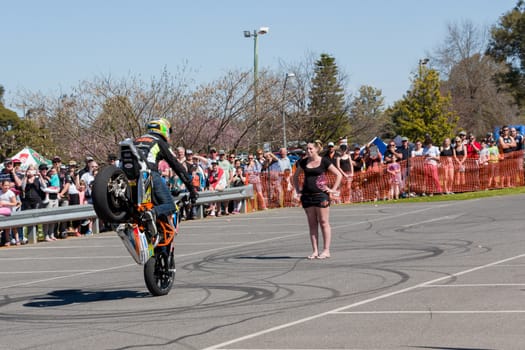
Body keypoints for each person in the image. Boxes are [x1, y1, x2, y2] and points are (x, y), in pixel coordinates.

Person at [133, 118, 198, 238]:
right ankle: (153, 213)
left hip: (130, 178)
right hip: (149, 175)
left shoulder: (136, 140)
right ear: (164, 129)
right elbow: (176, 165)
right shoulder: (159, 141)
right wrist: (191, 188)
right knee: (170, 205)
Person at [293, 140, 342, 260]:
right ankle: (315, 250)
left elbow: (338, 175)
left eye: (311, 149)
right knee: (312, 224)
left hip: (321, 195)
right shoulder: (303, 162)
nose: (308, 151)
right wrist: (298, 190)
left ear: (316, 149)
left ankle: (326, 250)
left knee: (324, 222)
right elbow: (295, 176)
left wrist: (332, 190)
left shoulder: (324, 161)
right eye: (307, 149)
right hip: (307, 196)